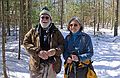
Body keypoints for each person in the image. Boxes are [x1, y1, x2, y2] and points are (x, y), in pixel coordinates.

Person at [23, 6, 64, 78]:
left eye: (47, 17)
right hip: (36, 65)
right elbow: (26, 43)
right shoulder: (33, 31)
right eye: (42, 17)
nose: (44, 19)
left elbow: (62, 45)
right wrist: (38, 52)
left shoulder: (56, 32)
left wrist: (55, 51)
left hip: (52, 66)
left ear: (50, 19)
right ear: (39, 19)